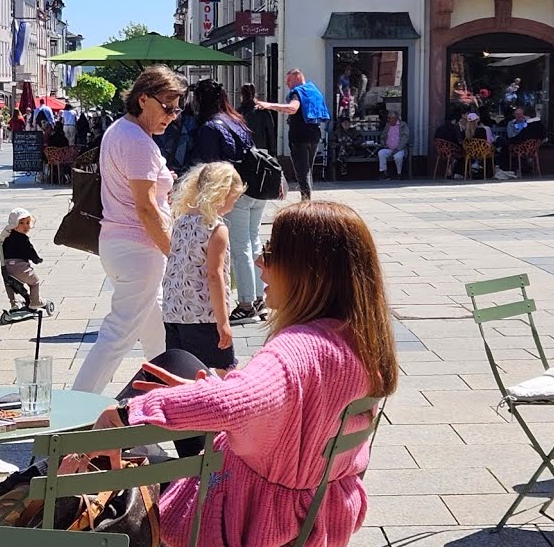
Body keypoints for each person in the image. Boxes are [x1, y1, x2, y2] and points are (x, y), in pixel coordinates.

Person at [89, 200, 399, 547]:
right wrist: (211, 393)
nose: (259, 261)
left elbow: (242, 400)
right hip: (315, 502)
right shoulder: (358, 336)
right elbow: (275, 406)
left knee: (110, 462)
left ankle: (37, 481)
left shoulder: (297, 349)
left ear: (309, 270)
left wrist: (127, 413)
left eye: (271, 251)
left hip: (244, 514)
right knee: (176, 361)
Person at [72, 66, 186, 394]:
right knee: (116, 336)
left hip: (122, 246)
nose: (172, 115)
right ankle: (75, 416)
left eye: (177, 108)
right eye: (167, 106)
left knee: (159, 337)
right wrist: (175, 254)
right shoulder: (138, 142)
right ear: (143, 99)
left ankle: (166, 404)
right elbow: (146, 209)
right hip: (139, 250)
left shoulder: (122, 131)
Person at [190, 79, 268, 325]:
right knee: (253, 242)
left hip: (234, 191)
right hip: (257, 188)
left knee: (239, 247)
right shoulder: (236, 120)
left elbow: (210, 167)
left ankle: (246, 304)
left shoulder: (210, 127)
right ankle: (258, 298)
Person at [162, 163, 244, 376]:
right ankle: (236, 405)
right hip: (204, 314)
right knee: (226, 368)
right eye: (233, 199)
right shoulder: (216, 228)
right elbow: (214, 276)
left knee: (182, 370)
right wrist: (223, 322)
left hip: (175, 310)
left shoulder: (180, 220)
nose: (233, 206)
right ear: (221, 193)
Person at [255, 70, 330, 201]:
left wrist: (269, 105)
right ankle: (307, 199)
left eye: (288, 80)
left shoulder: (297, 92)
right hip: (314, 134)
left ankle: (305, 202)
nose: (286, 84)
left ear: (296, 78)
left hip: (300, 135)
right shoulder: (314, 91)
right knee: (308, 170)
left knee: (302, 171)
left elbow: (292, 108)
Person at [0, 207, 47, 307]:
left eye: (27, 223)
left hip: (7, 266)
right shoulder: (23, 239)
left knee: (9, 283)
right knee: (34, 282)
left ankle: (14, 303)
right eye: (21, 223)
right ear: (14, 225)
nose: (25, 226)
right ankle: (35, 302)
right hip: (20, 267)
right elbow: (29, 251)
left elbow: (1, 245)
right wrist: (36, 259)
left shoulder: (6, 237)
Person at [239, 83, 277, 155]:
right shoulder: (263, 112)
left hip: (244, 149)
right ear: (255, 94)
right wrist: (273, 152)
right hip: (261, 149)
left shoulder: (238, 112)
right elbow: (270, 133)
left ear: (241, 95)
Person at [376, 111, 410, 181]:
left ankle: (399, 174)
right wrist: (383, 142)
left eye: (390, 118)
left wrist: (397, 149)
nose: (388, 120)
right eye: (388, 118)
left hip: (400, 149)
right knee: (381, 153)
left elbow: (405, 138)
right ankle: (384, 172)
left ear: (396, 118)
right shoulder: (387, 125)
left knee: (398, 157)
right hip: (389, 148)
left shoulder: (403, 125)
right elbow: (383, 136)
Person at [434, 113, 465, 180]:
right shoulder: (453, 129)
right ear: (453, 120)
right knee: (463, 155)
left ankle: (450, 168)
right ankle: (457, 173)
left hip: (441, 152)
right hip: (452, 151)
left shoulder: (439, 129)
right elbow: (455, 141)